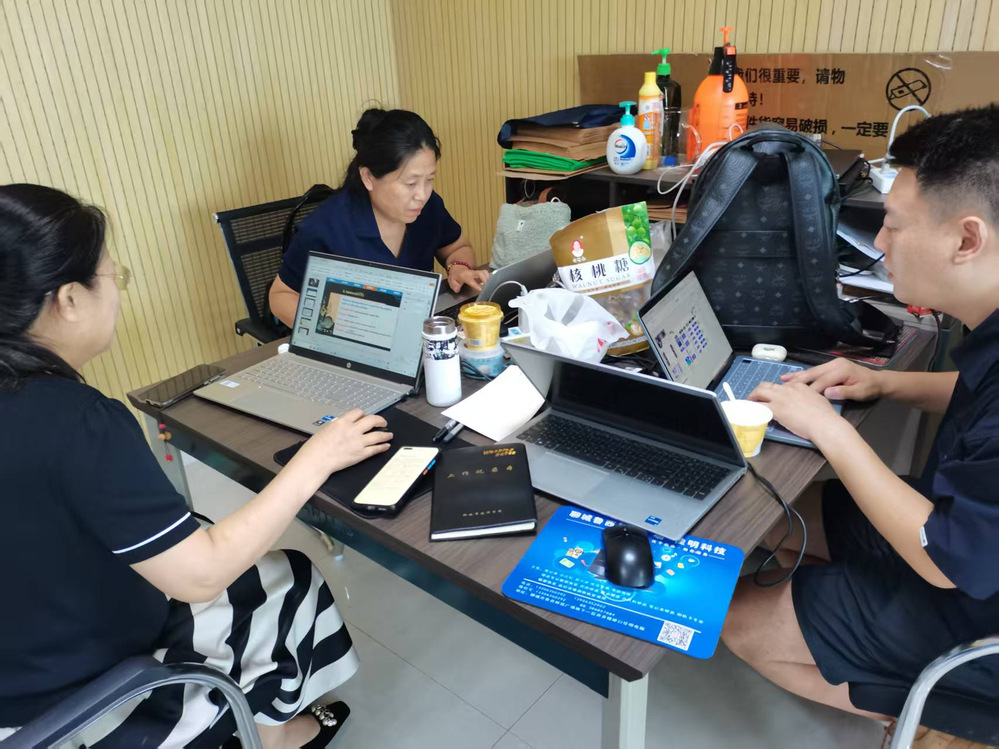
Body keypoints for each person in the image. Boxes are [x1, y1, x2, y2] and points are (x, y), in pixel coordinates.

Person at [0, 184, 393, 748]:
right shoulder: (78, 422)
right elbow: (200, 575)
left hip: (25, 650)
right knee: (287, 577)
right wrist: (316, 458)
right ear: (68, 299)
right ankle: (277, 737)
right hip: (73, 698)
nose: (119, 295)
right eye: (114, 277)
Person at [722, 105, 999, 748]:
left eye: (893, 225)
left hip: (972, 604)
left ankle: (936, 721)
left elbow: (945, 561)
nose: (878, 242)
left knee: (737, 622)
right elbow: (979, 395)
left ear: (967, 240)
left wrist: (831, 430)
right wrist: (884, 383)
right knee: (783, 516)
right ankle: (842, 612)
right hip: (964, 540)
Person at [269, 108, 489, 327]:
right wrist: (336, 326)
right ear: (368, 177)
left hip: (413, 331)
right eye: (410, 183)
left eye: (429, 179)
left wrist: (459, 267)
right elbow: (281, 296)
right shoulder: (326, 228)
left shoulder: (427, 207)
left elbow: (457, 246)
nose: (422, 195)